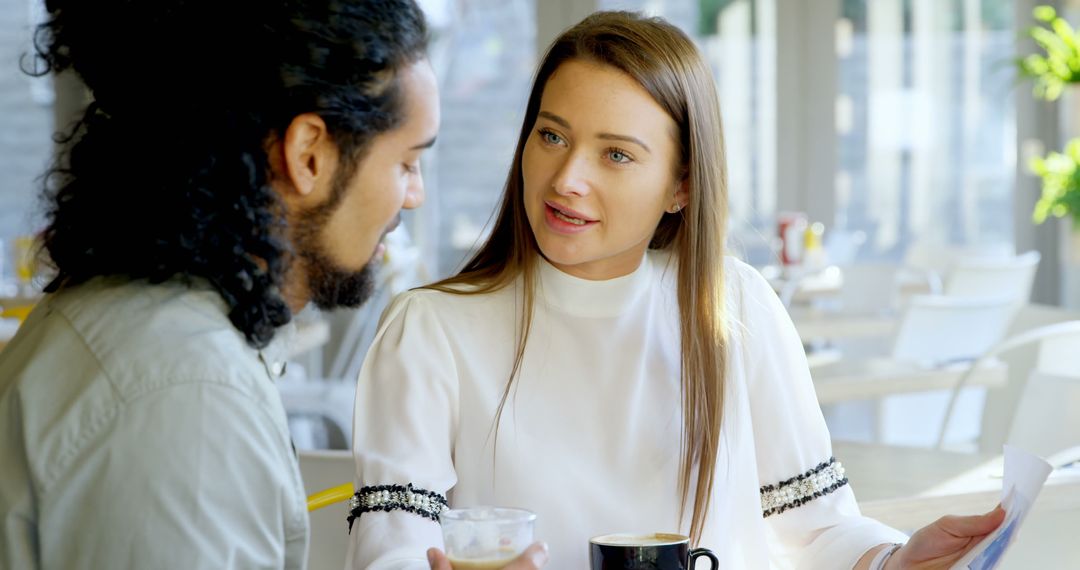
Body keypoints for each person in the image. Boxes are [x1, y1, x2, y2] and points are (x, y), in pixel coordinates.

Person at [347, 10, 1004, 570]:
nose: (567, 177)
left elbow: (818, 525)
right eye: (551, 136)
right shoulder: (431, 329)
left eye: (616, 155)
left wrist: (896, 559)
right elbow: (392, 546)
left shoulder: (735, 307)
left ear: (682, 186)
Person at [0, 0, 438, 568]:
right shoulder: (184, 399)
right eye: (406, 163)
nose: (415, 195)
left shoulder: (140, 327)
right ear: (309, 155)